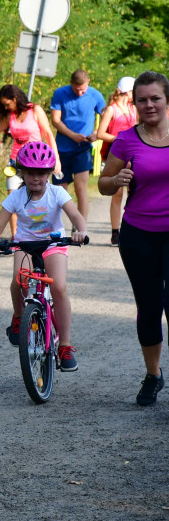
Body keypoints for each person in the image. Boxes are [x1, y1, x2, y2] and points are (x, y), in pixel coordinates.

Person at [0, 141, 87, 371]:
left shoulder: (57, 192)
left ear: (49, 173)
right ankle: (20, 316)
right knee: (19, 280)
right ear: (22, 172)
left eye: (41, 173)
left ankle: (65, 346)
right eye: (30, 172)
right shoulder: (16, 197)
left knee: (58, 287)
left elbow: (76, 215)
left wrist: (80, 231)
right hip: (26, 244)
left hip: (53, 243)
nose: (36, 178)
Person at [98, 71, 169, 406]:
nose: (149, 104)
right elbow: (104, 182)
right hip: (139, 235)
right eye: (142, 99)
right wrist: (118, 180)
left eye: (155, 98)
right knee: (150, 306)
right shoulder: (127, 139)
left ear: (166, 99)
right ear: (134, 103)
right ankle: (153, 375)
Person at [0, 84, 60, 236]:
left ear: (15, 99)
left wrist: (56, 160)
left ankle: (40, 234)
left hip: (37, 164)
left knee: (37, 201)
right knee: (13, 201)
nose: (6, 107)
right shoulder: (10, 116)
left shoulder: (35, 110)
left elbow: (48, 134)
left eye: (7, 104)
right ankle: (17, 238)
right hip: (16, 163)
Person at [50, 69, 105, 224]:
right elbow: (55, 120)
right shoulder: (60, 93)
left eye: (83, 89)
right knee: (60, 190)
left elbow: (107, 117)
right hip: (62, 148)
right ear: (71, 84)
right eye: (76, 89)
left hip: (83, 148)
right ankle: (55, 226)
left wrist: (96, 133)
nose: (80, 93)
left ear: (88, 83)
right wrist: (72, 135)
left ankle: (80, 226)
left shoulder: (95, 95)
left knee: (81, 188)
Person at [96, 76, 137, 245]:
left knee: (132, 191)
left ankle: (131, 227)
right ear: (128, 91)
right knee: (117, 193)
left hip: (133, 153)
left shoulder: (133, 109)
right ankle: (115, 231)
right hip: (115, 152)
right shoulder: (112, 109)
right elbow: (100, 133)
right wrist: (120, 140)